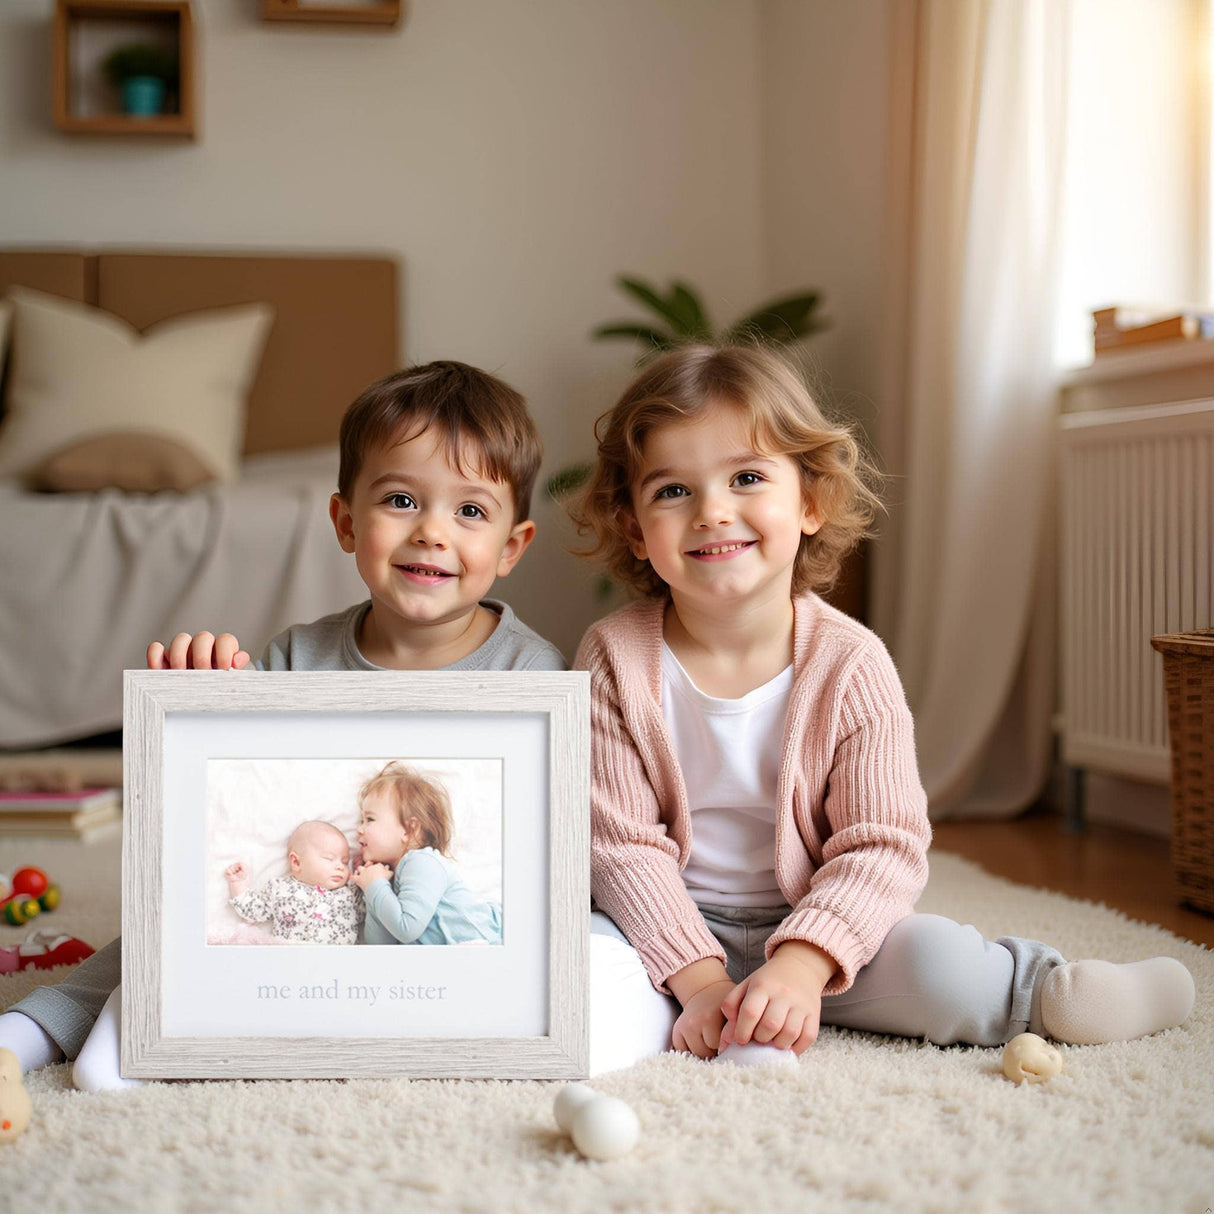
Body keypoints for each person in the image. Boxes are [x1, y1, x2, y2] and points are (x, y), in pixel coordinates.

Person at [569, 343, 1196, 1076]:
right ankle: (699, 1003)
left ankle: (1051, 992)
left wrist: (803, 965)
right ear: (637, 528)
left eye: (746, 477)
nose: (712, 511)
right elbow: (618, 846)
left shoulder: (851, 662)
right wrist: (700, 980)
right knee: (579, 982)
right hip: (659, 936)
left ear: (811, 503)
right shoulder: (612, 655)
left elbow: (882, 843)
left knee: (940, 970)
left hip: (819, 927)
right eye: (672, 491)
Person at [0, 360, 564, 1091]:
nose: (432, 532)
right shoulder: (296, 657)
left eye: (470, 511)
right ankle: (39, 1026)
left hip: (425, 950)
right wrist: (200, 702)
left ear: (512, 547)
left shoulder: (535, 675)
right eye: (401, 500)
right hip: (306, 920)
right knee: (157, 933)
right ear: (345, 521)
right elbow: (213, 818)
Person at [352, 762, 501, 945]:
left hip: (489, 943)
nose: (359, 829)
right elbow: (380, 949)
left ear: (409, 830)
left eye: (370, 819)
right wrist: (373, 889)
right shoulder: (387, 885)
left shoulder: (422, 861)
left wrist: (375, 885)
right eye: (361, 820)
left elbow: (407, 929)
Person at [226, 819, 364, 945]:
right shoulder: (280, 889)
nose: (340, 867)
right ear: (297, 862)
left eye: (345, 862)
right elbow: (254, 911)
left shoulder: (349, 893)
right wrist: (238, 884)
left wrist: (362, 875)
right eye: (329, 858)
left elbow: (369, 910)